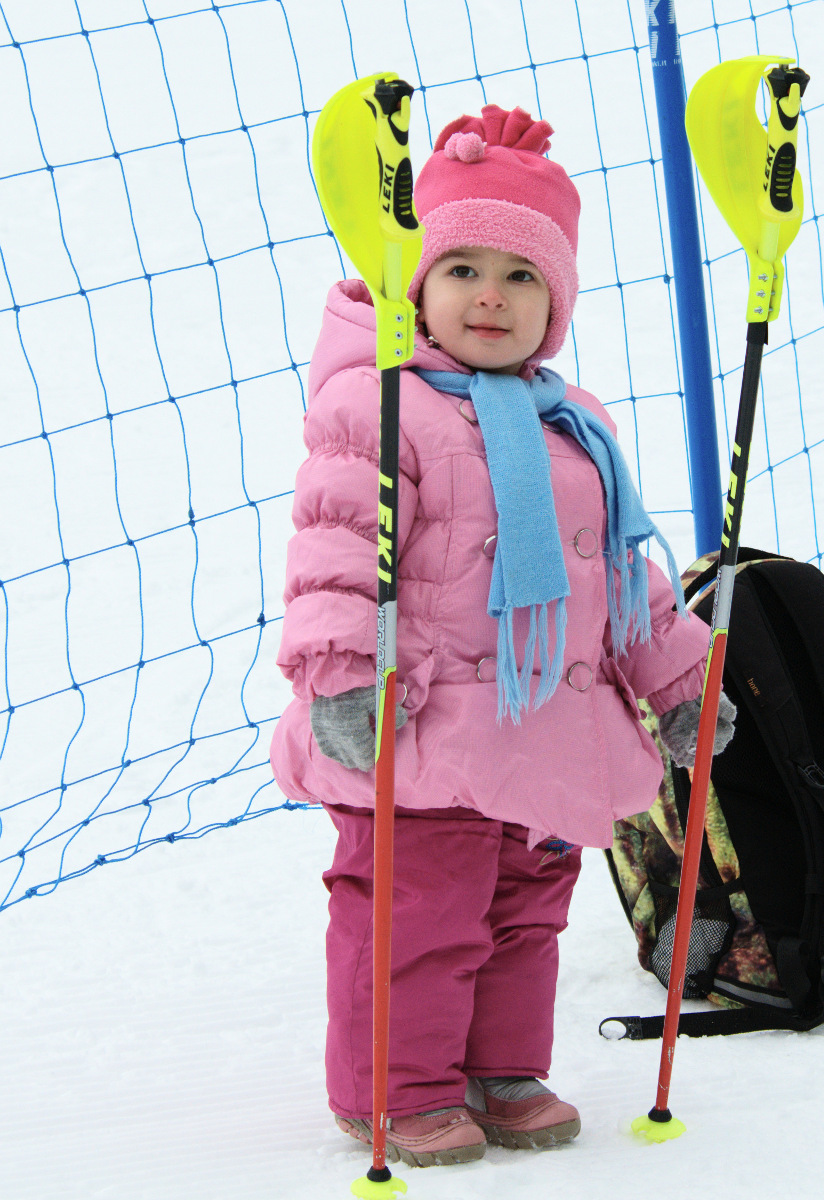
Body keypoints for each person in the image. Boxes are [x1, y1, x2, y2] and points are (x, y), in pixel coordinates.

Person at [270, 104, 735, 1168]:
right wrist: (340, 678)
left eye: (522, 276)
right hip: (422, 733)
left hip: (545, 730)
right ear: (415, 282)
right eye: (463, 266)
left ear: (556, 301)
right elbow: (334, 553)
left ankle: (503, 1067)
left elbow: (626, 585)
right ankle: (399, 1088)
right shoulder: (380, 406)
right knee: (418, 918)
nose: (491, 294)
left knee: (526, 918)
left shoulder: (577, 425)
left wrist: (678, 691)